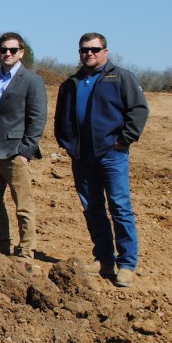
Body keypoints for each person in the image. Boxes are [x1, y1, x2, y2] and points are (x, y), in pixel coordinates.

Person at [54, 32, 149, 287]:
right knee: (92, 208)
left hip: (111, 155)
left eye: (95, 49)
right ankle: (104, 258)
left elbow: (139, 110)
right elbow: (61, 116)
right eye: (85, 49)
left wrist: (124, 140)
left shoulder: (119, 77)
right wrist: (66, 142)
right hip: (82, 157)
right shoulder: (72, 83)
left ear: (105, 52)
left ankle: (127, 264)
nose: (89, 53)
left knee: (119, 207)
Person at [0, 32, 47, 259]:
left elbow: (37, 118)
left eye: (13, 50)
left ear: (21, 53)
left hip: (15, 152)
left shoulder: (32, 80)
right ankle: (2, 242)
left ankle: (26, 247)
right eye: (3, 49)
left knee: (23, 205)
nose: (7, 53)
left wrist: (26, 150)